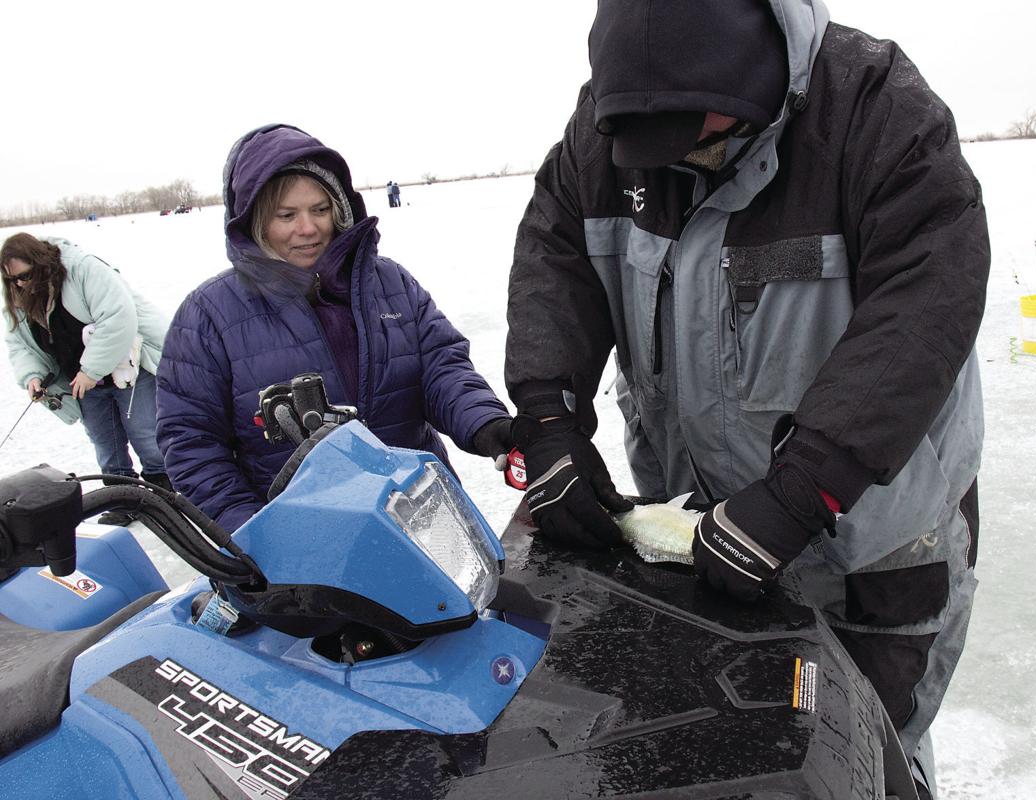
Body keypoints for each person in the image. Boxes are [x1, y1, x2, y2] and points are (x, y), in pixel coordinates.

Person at [503, 2, 988, 797]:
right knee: (722, 755)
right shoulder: (611, 127)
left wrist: (804, 490)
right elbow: (555, 261)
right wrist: (549, 423)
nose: (678, 159)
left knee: (866, 752)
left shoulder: (877, 112)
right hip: (699, 527)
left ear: (755, 73)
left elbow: (922, 311)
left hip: (871, 538)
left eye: (700, 134)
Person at [156, 124, 512, 532]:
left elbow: (441, 368)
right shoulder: (208, 314)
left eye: (320, 210)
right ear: (255, 220)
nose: (307, 229)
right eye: (286, 215)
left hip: (424, 517)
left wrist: (485, 422)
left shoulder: (391, 283)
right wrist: (256, 534)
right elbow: (192, 445)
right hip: (303, 540)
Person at [2, 233, 172, 511]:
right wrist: (32, 376)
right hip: (81, 383)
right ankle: (122, 501)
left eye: (26, 275)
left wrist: (91, 370)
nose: (20, 283)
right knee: (107, 446)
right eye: (12, 279)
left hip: (128, 368)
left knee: (146, 435)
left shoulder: (82, 269)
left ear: (41, 263)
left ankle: (165, 494)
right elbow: (20, 344)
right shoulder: (19, 296)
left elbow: (118, 317)